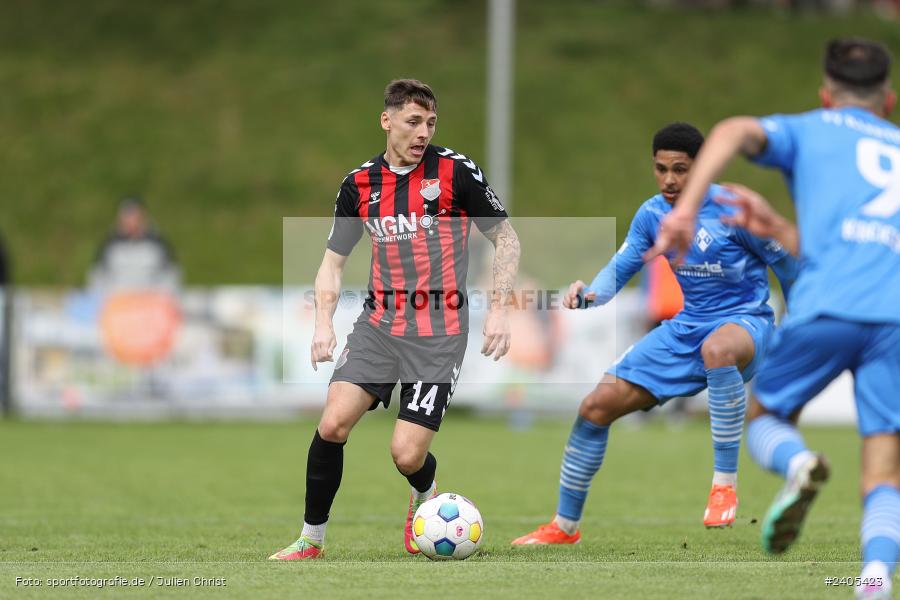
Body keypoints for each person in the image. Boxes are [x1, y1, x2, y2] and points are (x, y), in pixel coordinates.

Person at [646, 38, 899, 600]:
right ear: (889, 101)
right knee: (884, 463)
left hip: (827, 304)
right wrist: (781, 232)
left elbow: (734, 129)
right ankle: (874, 581)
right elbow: (871, 246)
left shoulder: (811, 128)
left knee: (763, 416)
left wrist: (685, 211)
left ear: (826, 96)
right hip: (893, 317)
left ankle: (800, 462)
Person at [511, 122, 797, 546]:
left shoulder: (736, 210)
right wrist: (587, 294)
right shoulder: (653, 214)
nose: (668, 180)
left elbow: (792, 273)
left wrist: (796, 333)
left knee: (717, 349)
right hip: (685, 330)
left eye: (680, 169)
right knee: (594, 407)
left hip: (745, 324)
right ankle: (564, 526)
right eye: (661, 169)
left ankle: (724, 485)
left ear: (703, 167)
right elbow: (619, 268)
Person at [270, 79, 520, 560]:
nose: (423, 131)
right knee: (332, 425)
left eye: (430, 122)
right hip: (379, 327)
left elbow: (506, 239)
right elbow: (333, 261)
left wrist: (501, 310)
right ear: (387, 121)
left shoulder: (455, 172)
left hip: (439, 333)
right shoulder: (358, 185)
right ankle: (310, 540)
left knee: (406, 454)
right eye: (412, 121)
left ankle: (424, 497)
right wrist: (324, 323)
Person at [89, 197, 180, 293]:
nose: (130, 221)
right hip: (118, 302)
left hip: (150, 301)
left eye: (134, 216)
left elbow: (171, 276)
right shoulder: (109, 246)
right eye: (127, 216)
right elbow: (97, 278)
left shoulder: (158, 245)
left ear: (143, 217)